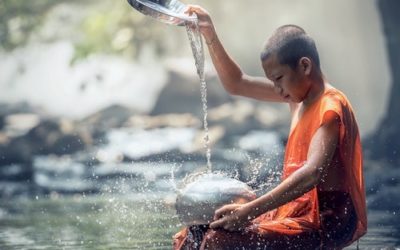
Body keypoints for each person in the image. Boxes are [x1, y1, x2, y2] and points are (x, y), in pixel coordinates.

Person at [173, 5, 367, 250]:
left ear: (304, 67)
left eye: (278, 79)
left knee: (217, 241)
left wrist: (249, 211)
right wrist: (210, 34)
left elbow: (312, 173)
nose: (276, 89)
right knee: (190, 236)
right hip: (294, 214)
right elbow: (237, 83)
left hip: (325, 224)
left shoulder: (330, 105)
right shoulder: (297, 97)